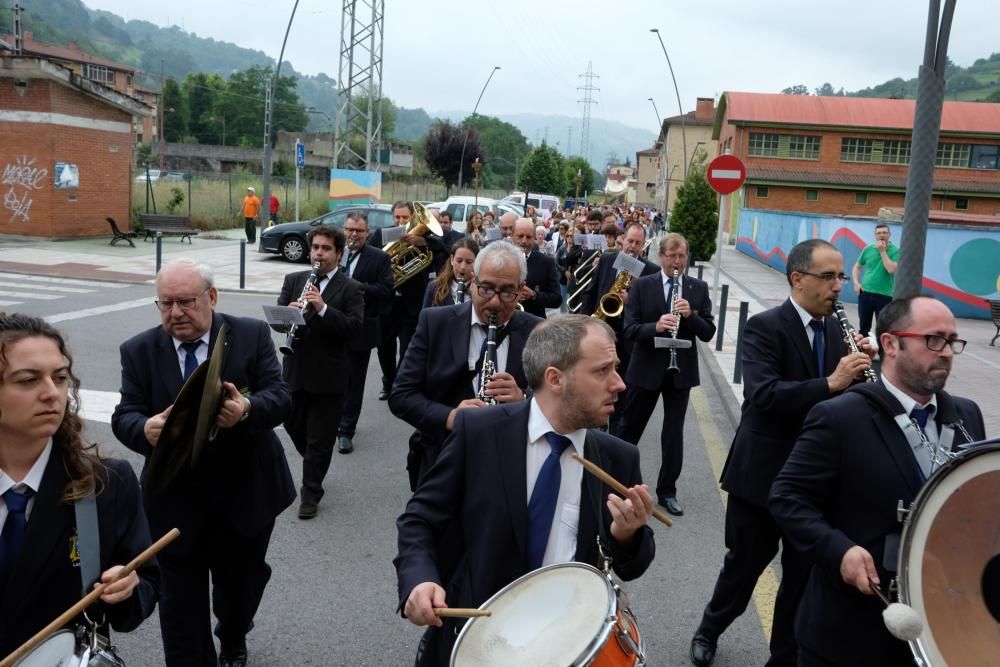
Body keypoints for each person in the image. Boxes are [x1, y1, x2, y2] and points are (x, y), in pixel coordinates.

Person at [394, 314, 656, 666]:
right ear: (555, 378)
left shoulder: (617, 458)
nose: (619, 384)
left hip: (563, 645)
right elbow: (419, 519)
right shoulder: (480, 433)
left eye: (617, 368)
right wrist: (419, 580)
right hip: (476, 638)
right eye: (602, 370)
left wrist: (628, 535)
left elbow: (633, 564)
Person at [769, 295, 984, 667]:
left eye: (952, 341)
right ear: (890, 344)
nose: (947, 351)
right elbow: (787, 498)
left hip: (941, 628)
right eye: (933, 339)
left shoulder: (967, 414)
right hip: (849, 636)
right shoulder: (838, 416)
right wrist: (840, 551)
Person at [689, 239, 874, 667]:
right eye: (828, 277)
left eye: (841, 277)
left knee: (802, 577)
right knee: (744, 567)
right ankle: (710, 628)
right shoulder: (765, 327)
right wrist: (832, 382)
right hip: (763, 475)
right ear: (798, 278)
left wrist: (867, 372)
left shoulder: (835, 328)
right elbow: (764, 394)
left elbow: (849, 401)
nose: (837, 287)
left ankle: (783, 656)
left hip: (815, 482)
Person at [112, 258, 295, 667]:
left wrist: (246, 408)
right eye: (165, 304)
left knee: (240, 588)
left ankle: (233, 634)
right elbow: (124, 414)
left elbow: (281, 395)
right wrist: (144, 429)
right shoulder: (138, 351)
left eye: (185, 301)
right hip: (174, 500)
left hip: (246, 492)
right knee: (179, 602)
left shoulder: (249, 334)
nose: (175, 313)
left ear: (211, 297)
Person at [0, 314, 159, 659]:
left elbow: (144, 587)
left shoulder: (106, 484)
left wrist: (129, 587)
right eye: (28, 380)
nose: (51, 393)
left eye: (59, 377)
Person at [390, 241, 543, 489]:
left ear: (521, 289)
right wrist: (450, 417)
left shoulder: (538, 331)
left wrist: (524, 400)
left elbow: (557, 403)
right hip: (443, 461)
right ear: (472, 280)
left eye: (507, 292)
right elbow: (401, 396)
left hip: (508, 468)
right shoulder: (435, 322)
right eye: (486, 289)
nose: (494, 302)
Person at [617, 233, 715, 515]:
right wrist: (656, 326)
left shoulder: (697, 288)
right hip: (646, 367)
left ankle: (667, 491)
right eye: (672, 256)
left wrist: (691, 317)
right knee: (629, 428)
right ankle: (618, 481)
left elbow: (708, 332)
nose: (677, 261)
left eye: (682, 256)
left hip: (680, 371)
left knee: (673, 434)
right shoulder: (643, 286)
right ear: (660, 257)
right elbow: (630, 330)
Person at [277, 226, 364, 518]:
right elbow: (278, 319)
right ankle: (316, 461)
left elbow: (353, 329)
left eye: (326, 248)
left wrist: (324, 308)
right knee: (293, 426)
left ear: (339, 254)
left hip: (328, 377)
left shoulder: (350, 288)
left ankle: (310, 494)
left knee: (318, 439)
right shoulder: (294, 280)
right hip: (295, 371)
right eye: (315, 247)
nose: (318, 253)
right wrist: (288, 313)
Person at [371, 201, 447, 401]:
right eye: (397, 217)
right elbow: (368, 254)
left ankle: (399, 384)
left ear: (413, 217)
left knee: (407, 349)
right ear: (392, 217)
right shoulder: (381, 235)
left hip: (411, 305)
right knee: (384, 348)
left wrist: (424, 243)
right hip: (387, 303)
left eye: (405, 217)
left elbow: (445, 248)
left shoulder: (424, 237)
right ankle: (388, 382)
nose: (401, 221)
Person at [336, 212, 394, 455]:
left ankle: (347, 430)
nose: (353, 235)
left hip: (361, 327)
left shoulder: (379, 257)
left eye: (359, 231)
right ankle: (336, 420)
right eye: (350, 229)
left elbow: (386, 289)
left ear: (367, 233)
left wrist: (355, 289)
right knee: (336, 378)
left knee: (355, 381)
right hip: (334, 325)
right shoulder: (336, 252)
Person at [851, 223, 899, 336]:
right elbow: (857, 267)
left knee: (883, 329)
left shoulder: (896, 251)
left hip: (885, 295)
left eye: (884, 232)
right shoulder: (868, 249)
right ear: (875, 235)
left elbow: (891, 269)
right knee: (863, 329)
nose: (881, 235)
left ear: (889, 234)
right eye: (879, 233)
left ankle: (882, 353)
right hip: (865, 293)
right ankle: (863, 353)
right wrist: (856, 283)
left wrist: (882, 251)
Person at [511, 217, 562, 318]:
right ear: (512, 236)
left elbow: (557, 299)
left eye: (529, 237)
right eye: (520, 236)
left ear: (534, 237)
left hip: (534, 322)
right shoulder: (501, 258)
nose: (524, 241)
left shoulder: (546, 262)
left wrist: (534, 295)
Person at [423, 238, 479, 308]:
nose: (463, 267)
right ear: (452, 260)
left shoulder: (481, 289)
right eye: (459, 261)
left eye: (469, 262)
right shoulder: (434, 287)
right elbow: (426, 317)